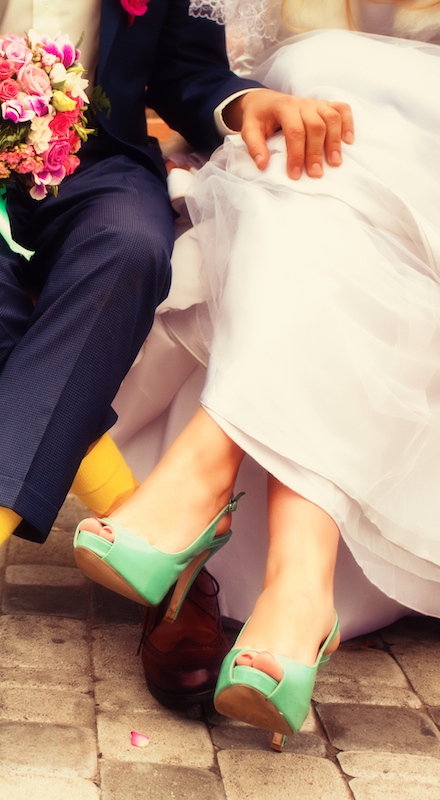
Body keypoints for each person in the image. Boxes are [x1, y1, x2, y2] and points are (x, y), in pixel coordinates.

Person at [0, 0, 351, 789]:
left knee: (134, 247)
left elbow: (186, 72)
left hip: (102, 170)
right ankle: (157, 553)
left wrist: (245, 102)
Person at [75, 0, 440, 750]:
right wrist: (237, 109)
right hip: (291, 155)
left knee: (325, 101)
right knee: (305, 144)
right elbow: (196, 64)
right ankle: (300, 595)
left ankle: (204, 473)